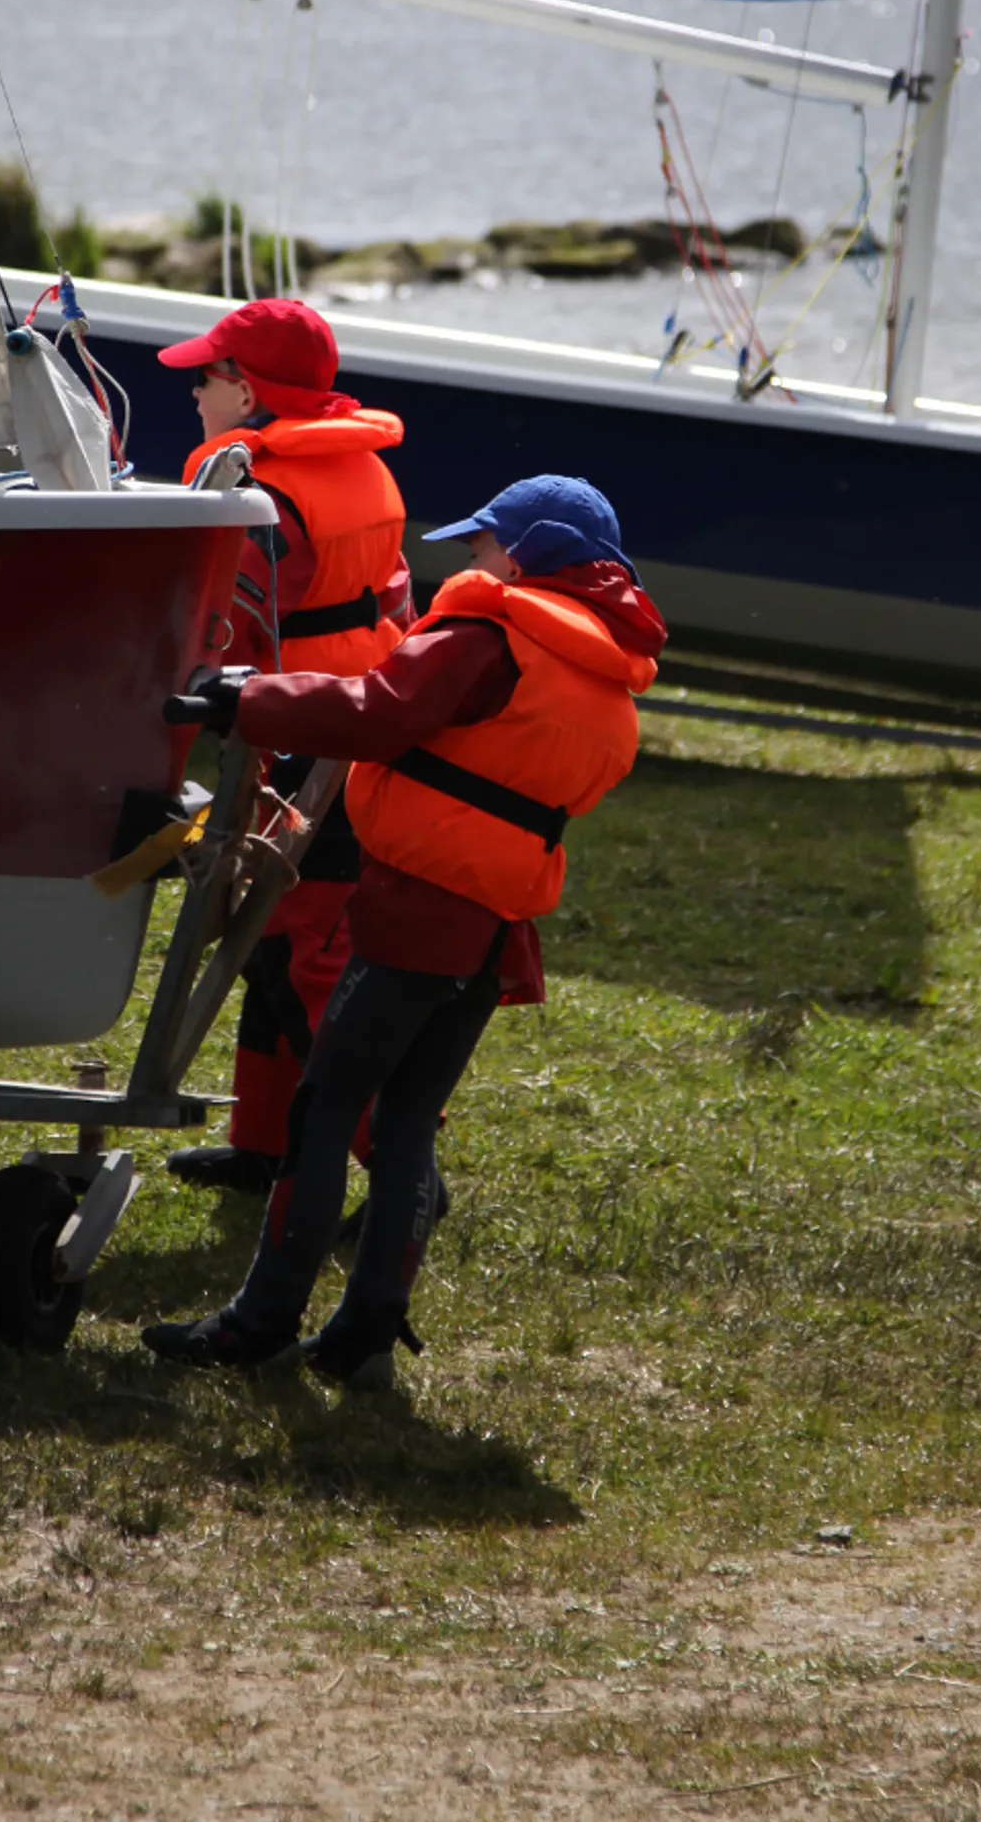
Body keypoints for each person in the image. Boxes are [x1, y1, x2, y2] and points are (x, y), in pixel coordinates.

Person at [144, 475, 666, 1389]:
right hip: (494, 921)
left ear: (531, 551)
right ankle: (365, 1338)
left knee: (325, 1108)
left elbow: (376, 713)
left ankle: (257, 1324)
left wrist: (246, 702)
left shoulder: (494, 635)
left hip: (422, 910)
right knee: (409, 1122)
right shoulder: (600, 671)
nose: (473, 559)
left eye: (485, 545)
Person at [157, 298, 413, 1200]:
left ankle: (399, 1172)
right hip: (350, 725)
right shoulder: (361, 470)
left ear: (248, 389)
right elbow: (395, 607)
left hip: (297, 734)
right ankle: (264, 1147)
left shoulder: (261, 490)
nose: (193, 393)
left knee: (310, 953)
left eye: (206, 376)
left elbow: (227, 627)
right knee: (267, 942)